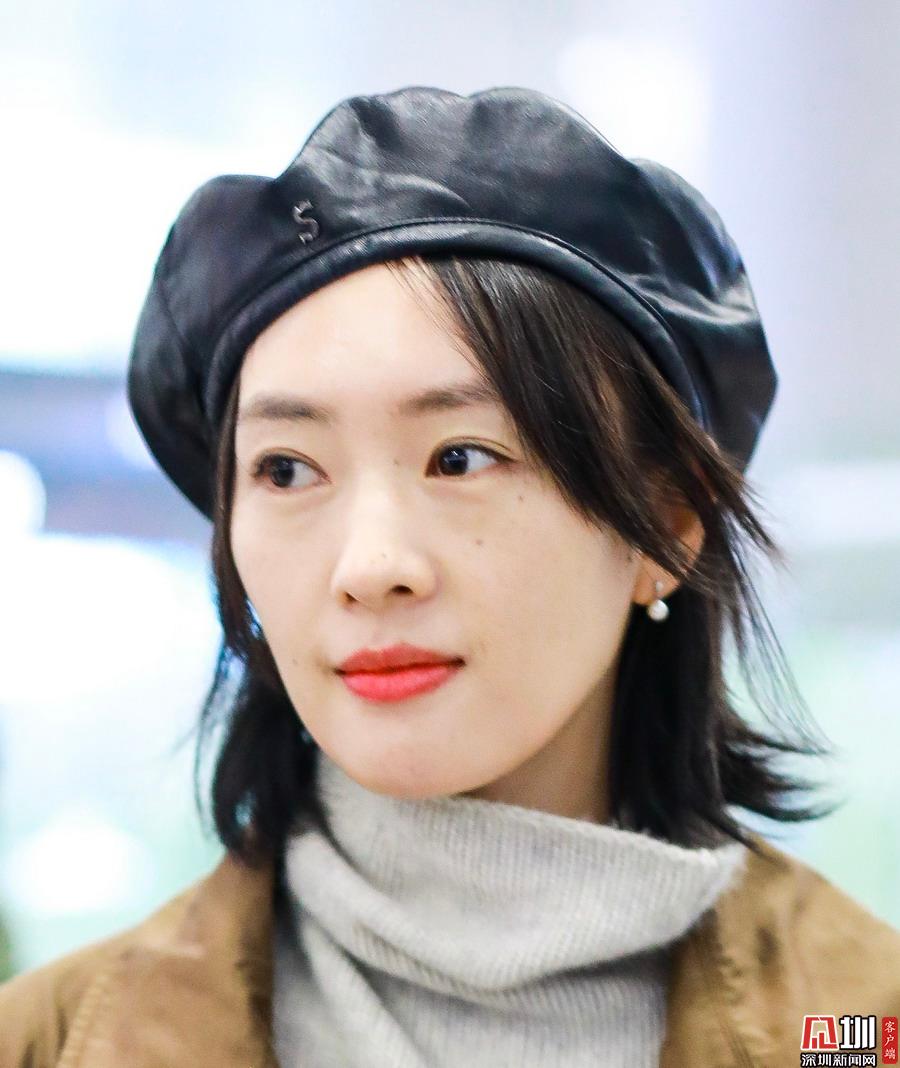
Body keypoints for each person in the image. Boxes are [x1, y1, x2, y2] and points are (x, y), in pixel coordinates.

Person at [1, 85, 897, 1068]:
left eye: (460, 458)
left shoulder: (864, 1030)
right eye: (287, 470)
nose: (370, 567)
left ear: (668, 525)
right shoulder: (45, 1043)